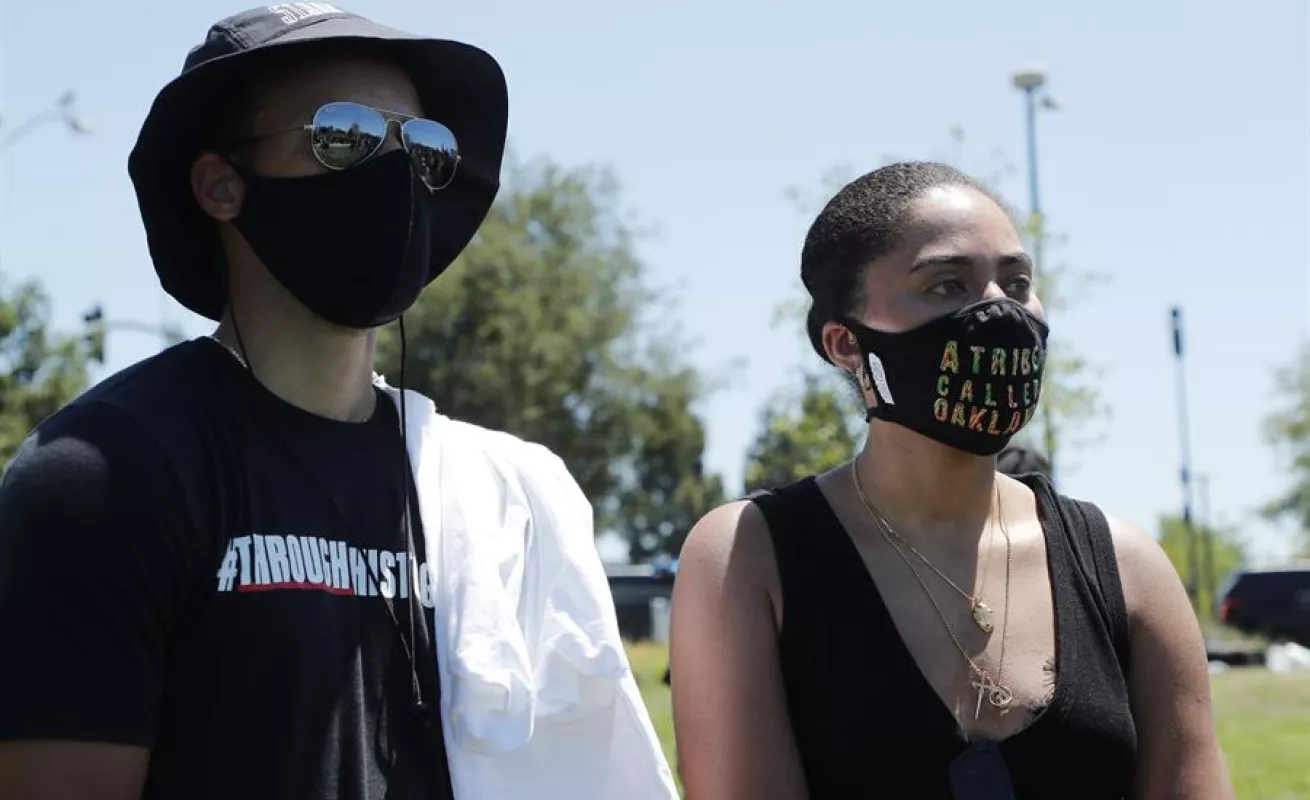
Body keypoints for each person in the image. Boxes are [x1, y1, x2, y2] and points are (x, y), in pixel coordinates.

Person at [0, 6, 674, 800]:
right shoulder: (100, 477)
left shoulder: (503, 498)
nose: (393, 173)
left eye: (424, 149)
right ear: (221, 185)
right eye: (343, 135)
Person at [669, 162, 1233, 799]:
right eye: (946, 284)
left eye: (1016, 282)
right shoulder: (748, 556)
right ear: (845, 344)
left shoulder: (1126, 569)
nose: (998, 310)